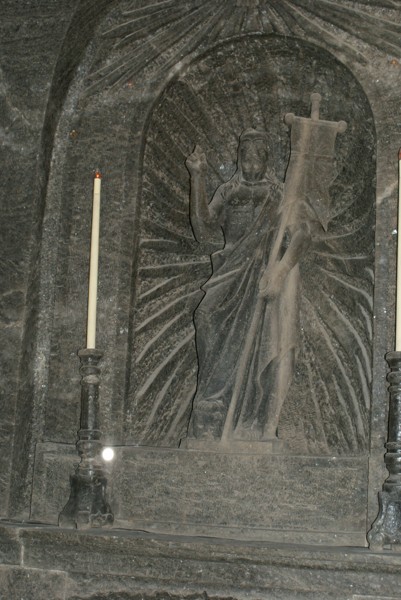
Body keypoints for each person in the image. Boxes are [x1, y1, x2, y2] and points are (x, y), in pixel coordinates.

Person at [185, 128, 312, 445]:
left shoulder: (279, 194)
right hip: (230, 273)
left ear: (267, 160)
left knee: (260, 346)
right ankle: (211, 405)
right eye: (246, 154)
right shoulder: (229, 191)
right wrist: (197, 177)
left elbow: (301, 234)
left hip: (261, 280)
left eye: (258, 154)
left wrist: (281, 270)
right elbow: (203, 229)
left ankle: (250, 419)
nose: (252, 161)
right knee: (205, 317)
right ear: (239, 157)